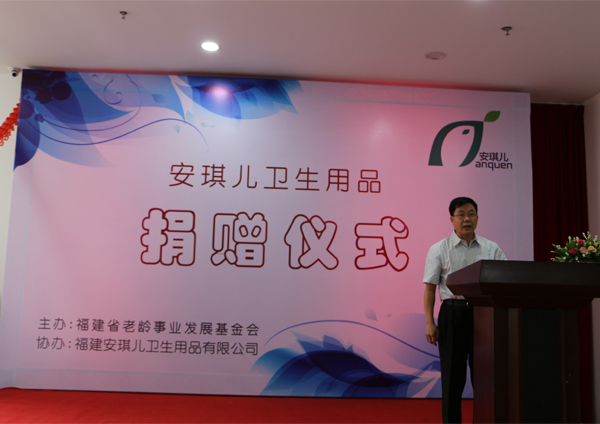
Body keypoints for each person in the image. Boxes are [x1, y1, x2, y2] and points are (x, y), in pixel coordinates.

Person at [423, 197, 506, 423]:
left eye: (471, 214)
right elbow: (430, 289)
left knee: (485, 377)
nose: (467, 219)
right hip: (453, 313)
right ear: (452, 219)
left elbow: (505, 279)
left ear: (477, 217)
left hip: (484, 315)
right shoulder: (439, 249)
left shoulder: (491, 248)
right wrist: (430, 323)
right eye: (461, 214)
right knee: (453, 377)